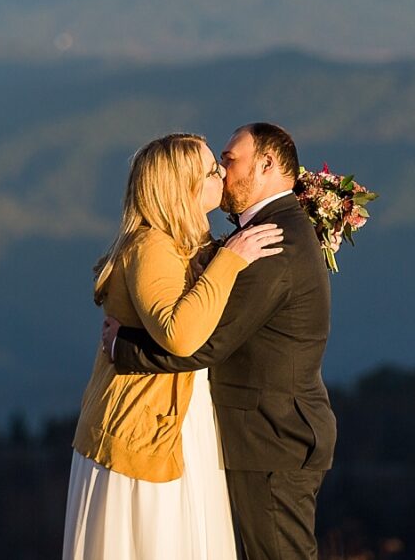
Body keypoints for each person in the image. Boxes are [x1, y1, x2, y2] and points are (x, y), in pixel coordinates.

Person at [107, 122, 336, 560]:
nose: (221, 171)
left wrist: (124, 347)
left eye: (230, 161)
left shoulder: (271, 244)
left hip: (272, 437)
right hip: (272, 435)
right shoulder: (274, 226)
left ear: (266, 164)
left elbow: (203, 344)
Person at [64, 132, 285, 560]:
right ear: (181, 190)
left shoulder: (175, 244)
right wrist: (230, 261)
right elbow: (179, 334)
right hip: (143, 433)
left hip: (172, 417)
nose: (221, 173)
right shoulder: (152, 247)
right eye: (210, 171)